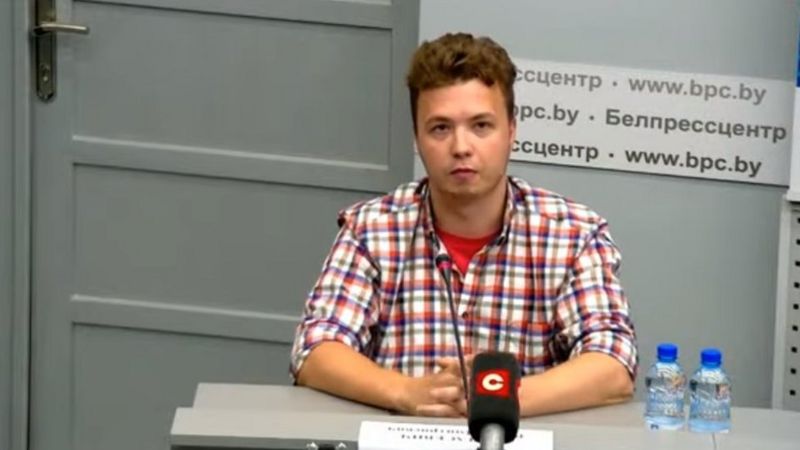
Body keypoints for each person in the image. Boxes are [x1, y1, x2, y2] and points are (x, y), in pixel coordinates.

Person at [290, 32, 637, 418]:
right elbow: (315, 349)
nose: (461, 147)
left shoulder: (572, 235)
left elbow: (613, 363)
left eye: (481, 126)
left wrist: (497, 397)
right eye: (440, 128)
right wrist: (407, 392)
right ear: (417, 138)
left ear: (512, 131)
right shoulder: (371, 230)